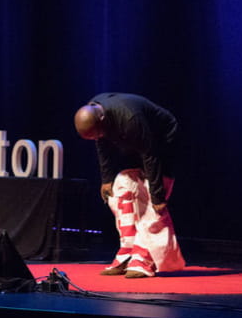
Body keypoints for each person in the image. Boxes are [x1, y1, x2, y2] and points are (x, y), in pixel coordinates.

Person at [73, 92, 186, 277]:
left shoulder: (130, 118)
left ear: (102, 119)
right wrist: (107, 179)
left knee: (154, 204)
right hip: (135, 145)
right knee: (121, 187)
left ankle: (145, 257)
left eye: (98, 134)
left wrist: (158, 195)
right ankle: (128, 250)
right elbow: (102, 144)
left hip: (161, 142)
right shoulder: (96, 111)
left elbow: (151, 155)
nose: (98, 137)